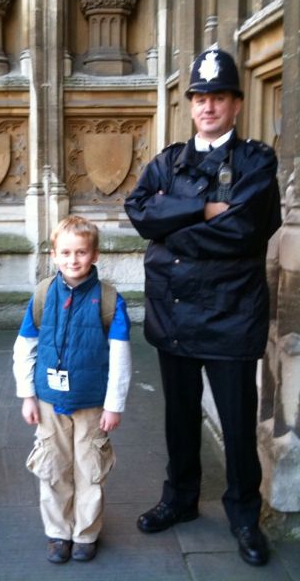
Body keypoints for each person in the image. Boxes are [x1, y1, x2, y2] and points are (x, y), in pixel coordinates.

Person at [124, 48, 281, 567]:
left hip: (231, 314)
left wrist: (175, 227)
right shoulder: (169, 160)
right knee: (179, 418)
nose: (208, 106)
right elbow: (141, 214)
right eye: (201, 98)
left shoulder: (257, 161)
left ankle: (242, 513)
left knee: (236, 425)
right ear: (190, 105)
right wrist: (202, 208)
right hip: (174, 315)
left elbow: (243, 230)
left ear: (236, 103)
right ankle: (181, 498)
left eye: (218, 96)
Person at [13, 216, 132, 564]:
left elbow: (121, 356)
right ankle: (58, 532)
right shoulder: (43, 294)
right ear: (54, 254)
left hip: (92, 403)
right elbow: (25, 346)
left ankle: (85, 533)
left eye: (81, 252)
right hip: (49, 401)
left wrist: (114, 405)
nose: (73, 260)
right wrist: (26, 395)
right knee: (52, 468)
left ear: (94, 255)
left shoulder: (108, 299)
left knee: (90, 469)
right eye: (65, 252)